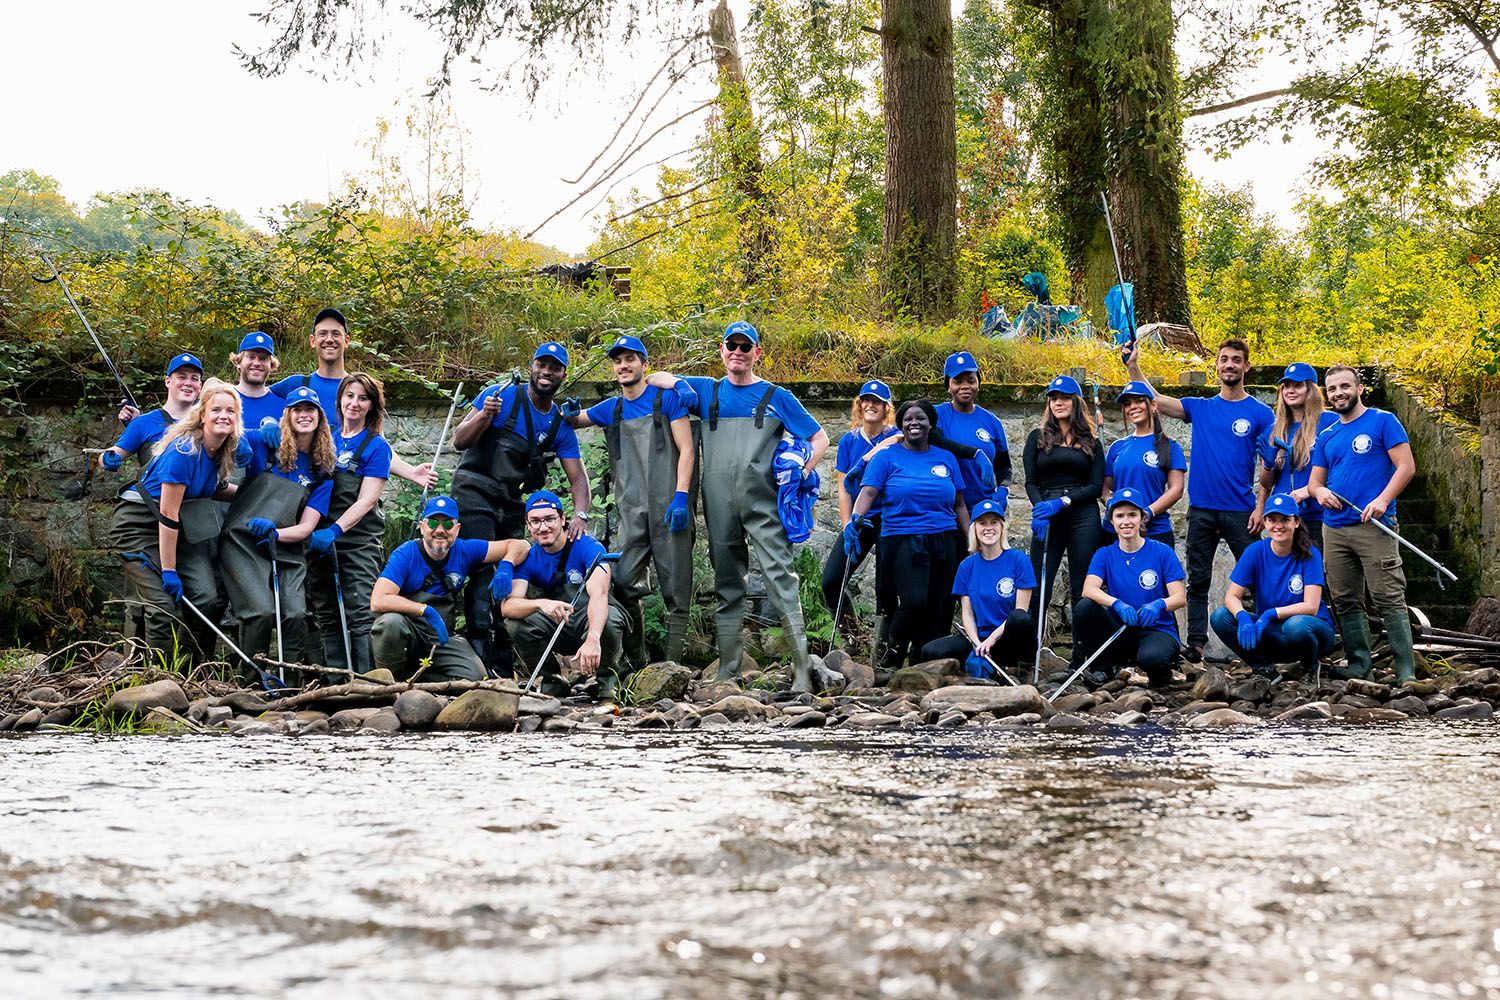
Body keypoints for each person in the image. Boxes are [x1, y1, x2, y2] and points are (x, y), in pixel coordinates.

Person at [649, 322, 829, 692]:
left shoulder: (777, 396)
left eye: (746, 347)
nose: (738, 351)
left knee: (781, 579)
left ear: (757, 353)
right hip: (718, 506)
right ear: (721, 349)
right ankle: (728, 670)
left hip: (764, 505)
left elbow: (820, 437)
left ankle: (800, 670)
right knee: (727, 583)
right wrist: (679, 383)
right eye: (732, 345)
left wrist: (803, 470)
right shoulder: (706, 390)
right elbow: (654, 376)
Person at [1125, 338, 1274, 662]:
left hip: (1242, 511)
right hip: (1202, 509)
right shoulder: (1201, 407)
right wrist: (1133, 366)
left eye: (1236, 360)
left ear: (1246, 366)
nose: (1230, 365)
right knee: (1198, 579)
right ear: (1217, 366)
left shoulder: (1261, 413)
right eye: (1224, 359)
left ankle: (1266, 641)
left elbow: (1269, 465)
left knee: (1259, 577)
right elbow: (1157, 401)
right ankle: (1196, 645)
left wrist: (1262, 507)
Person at [452, 341, 592, 676]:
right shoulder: (502, 395)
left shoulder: (558, 424)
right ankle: (478, 662)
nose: (547, 372)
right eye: (541, 365)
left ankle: (504, 663)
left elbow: (579, 479)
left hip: (510, 501)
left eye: (555, 367)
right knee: (483, 573)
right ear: (531, 366)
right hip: (473, 492)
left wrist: (581, 515)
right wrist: (485, 414)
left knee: (511, 574)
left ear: (563, 374)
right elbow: (459, 440)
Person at [564, 334, 695, 667]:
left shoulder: (666, 400)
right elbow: (576, 420)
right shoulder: (612, 408)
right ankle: (637, 661)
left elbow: (688, 449)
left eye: (630, 359)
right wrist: (567, 412)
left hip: (670, 508)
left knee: (676, 588)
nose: (623, 365)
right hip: (631, 512)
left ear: (643, 364)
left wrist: (681, 495)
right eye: (618, 361)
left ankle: (672, 667)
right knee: (621, 581)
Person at [111, 379, 241, 661]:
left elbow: (215, 489)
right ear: (202, 414)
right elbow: (168, 515)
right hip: (139, 525)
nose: (224, 416)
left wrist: (254, 496)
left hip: (176, 529)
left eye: (230, 411)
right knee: (161, 604)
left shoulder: (220, 450)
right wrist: (169, 571)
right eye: (217, 410)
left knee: (205, 597)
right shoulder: (184, 451)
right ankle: (159, 679)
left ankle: (188, 670)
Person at [1309, 365, 1418, 682]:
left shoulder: (1383, 421)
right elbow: (1316, 482)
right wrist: (1320, 493)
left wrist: (1383, 500)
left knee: (1388, 596)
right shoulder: (1327, 435)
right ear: (1327, 395)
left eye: (1345, 386)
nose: (1338, 393)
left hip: (1374, 525)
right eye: (1332, 389)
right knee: (1344, 598)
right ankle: (1360, 665)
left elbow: (1406, 467)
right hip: (1334, 528)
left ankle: (1405, 671)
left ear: (1359, 389)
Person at [846, 399, 969, 671]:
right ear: (900, 424)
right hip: (902, 538)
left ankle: (924, 664)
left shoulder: (945, 458)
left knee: (940, 604)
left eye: (921, 418)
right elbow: (868, 492)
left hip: (945, 538)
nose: (915, 422)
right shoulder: (886, 457)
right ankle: (893, 654)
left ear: (931, 424)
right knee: (914, 601)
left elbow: (959, 503)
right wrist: (855, 518)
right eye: (908, 418)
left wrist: (970, 539)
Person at [218, 385, 335, 669]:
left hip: (287, 547)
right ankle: (250, 681)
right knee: (261, 612)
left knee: (295, 614)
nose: (304, 415)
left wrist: (276, 532)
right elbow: (219, 426)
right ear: (287, 415)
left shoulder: (322, 471)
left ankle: (289, 683)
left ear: (320, 417)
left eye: (310, 410)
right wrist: (248, 435)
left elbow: (307, 527)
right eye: (297, 409)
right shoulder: (265, 445)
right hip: (243, 543)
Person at [370, 495, 529, 682]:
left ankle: (420, 680)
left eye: (447, 524)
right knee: (389, 623)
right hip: (407, 633)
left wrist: (506, 565)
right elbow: (378, 600)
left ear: (457, 528)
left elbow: (521, 545)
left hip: (440, 638)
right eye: (433, 523)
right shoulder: (406, 554)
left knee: (476, 677)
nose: (440, 530)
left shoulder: (464, 550)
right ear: (422, 527)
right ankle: (388, 685)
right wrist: (424, 610)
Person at [270, 307, 435, 486]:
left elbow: (376, 443)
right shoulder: (296, 385)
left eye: (336, 334)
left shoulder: (360, 391)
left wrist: (411, 472)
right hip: (300, 489)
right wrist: (268, 421)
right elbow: (250, 398)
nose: (329, 339)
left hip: (343, 493)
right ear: (313, 340)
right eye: (322, 334)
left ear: (346, 340)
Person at [303, 373, 393, 677]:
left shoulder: (377, 447)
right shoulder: (324, 437)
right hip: (318, 537)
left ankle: (369, 682)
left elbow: (367, 500)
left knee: (361, 611)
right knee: (326, 612)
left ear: (372, 406)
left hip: (357, 540)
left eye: (363, 398)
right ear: (340, 399)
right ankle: (336, 681)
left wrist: (336, 530)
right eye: (349, 396)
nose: (354, 403)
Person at [502, 491, 626, 697]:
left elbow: (600, 594)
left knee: (611, 619)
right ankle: (553, 679)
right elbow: (508, 606)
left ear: (562, 519)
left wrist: (594, 638)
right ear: (528, 525)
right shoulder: (528, 558)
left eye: (550, 519)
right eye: (535, 521)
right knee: (516, 624)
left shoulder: (587, 546)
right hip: (557, 622)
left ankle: (608, 680)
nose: (543, 527)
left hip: (589, 620)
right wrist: (541, 604)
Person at [1210, 493, 1336, 680]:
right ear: (1265, 522)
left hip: (1311, 633)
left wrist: (1270, 614)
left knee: (1296, 625)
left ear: (1296, 522)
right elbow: (1232, 596)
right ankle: (1264, 668)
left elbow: (1311, 606)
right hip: (1271, 632)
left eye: (1285, 519)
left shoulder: (1311, 554)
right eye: (1272, 519)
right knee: (1221, 617)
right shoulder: (1255, 551)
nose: (1278, 526)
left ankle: (1310, 667)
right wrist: (1243, 617)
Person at [1072, 488, 1188, 688]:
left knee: (1153, 659)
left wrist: (1159, 605)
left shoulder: (1162, 552)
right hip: (1121, 628)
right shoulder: (1104, 554)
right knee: (1084, 607)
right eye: (1120, 516)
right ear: (1112, 521)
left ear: (1142, 518)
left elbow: (1179, 597)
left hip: (1156, 629)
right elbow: (1089, 589)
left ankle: (1163, 674)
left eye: (1132, 515)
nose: (1126, 521)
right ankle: (1103, 668)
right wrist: (1117, 604)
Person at [918, 496, 1036, 676]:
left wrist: (991, 640)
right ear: (975, 529)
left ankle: (1020, 667)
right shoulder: (966, 566)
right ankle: (984, 666)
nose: (989, 528)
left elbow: (1021, 610)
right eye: (982, 523)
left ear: (1002, 528)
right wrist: (977, 643)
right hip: (980, 637)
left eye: (994, 522)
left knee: (1020, 618)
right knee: (931, 651)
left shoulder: (1019, 560)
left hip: (1009, 638)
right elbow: (967, 613)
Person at [821, 379, 899, 643]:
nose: (870, 405)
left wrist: (873, 453)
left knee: (885, 587)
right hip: (860, 520)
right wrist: (846, 526)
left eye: (877, 402)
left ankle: (885, 648)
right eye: (866, 400)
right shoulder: (848, 441)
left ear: (886, 407)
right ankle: (852, 636)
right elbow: (844, 487)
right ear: (859, 404)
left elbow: (902, 439)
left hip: (888, 519)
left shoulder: (896, 437)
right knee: (831, 581)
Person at [1023, 375, 1105, 605]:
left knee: (1083, 587)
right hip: (1048, 513)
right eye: (1053, 398)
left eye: (1065, 398)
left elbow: (1096, 487)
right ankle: (1033, 641)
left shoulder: (1092, 442)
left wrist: (1064, 502)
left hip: (1083, 515)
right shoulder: (1037, 438)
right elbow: (1031, 482)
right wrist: (1041, 508)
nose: (1058, 402)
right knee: (1039, 584)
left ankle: (1084, 641)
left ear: (1076, 402)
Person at [1259, 363, 1338, 550]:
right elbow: (1266, 483)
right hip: (1284, 518)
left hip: (1319, 515)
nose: (1290, 391)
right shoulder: (1274, 429)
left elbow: (1340, 470)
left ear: (1310, 389)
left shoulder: (1331, 422)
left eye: (1297, 385)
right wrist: (1269, 465)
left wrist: (1309, 490)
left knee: (1318, 573)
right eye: (1286, 386)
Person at [1103, 380, 1186, 547]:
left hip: (1155, 531)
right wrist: (1110, 502)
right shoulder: (1117, 447)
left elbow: (1176, 489)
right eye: (1128, 404)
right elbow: (1105, 486)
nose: (1132, 406)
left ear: (1153, 405)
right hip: (1116, 533)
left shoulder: (1170, 446)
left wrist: (1148, 512)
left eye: (1139, 401)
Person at [103, 353, 204, 471]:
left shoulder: (207, 423)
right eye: (182, 377)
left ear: (200, 386)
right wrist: (107, 459)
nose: (188, 383)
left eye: (194, 378)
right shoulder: (143, 423)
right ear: (168, 382)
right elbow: (110, 454)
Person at [935, 351, 1012, 502]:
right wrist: (975, 453)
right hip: (946, 509)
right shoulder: (937, 415)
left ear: (978, 383)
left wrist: (1004, 488)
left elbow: (1004, 466)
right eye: (957, 381)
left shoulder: (992, 422)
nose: (965, 386)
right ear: (948, 386)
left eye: (970, 381)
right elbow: (935, 439)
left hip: (983, 510)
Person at [231, 331, 286, 433]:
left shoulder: (283, 407)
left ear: (271, 365)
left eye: (263, 358)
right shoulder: (222, 401)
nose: (256, 363)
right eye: (251, 357)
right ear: (238, 362)